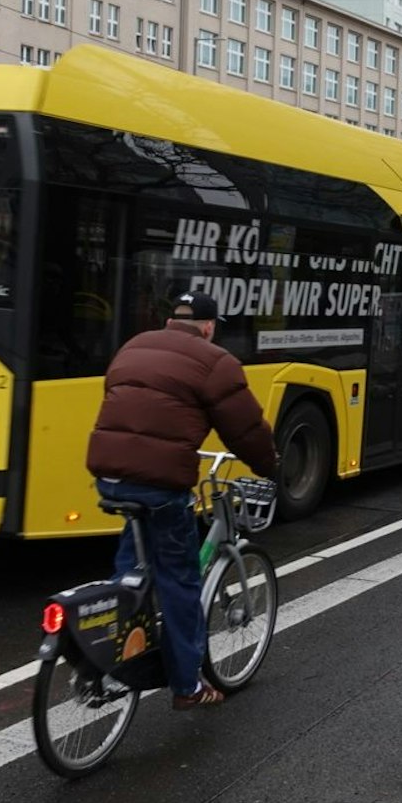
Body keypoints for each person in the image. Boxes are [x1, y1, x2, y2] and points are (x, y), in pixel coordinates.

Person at [86, 290, 280, 709]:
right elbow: (245, 429)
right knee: (181, 579)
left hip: (110, 476)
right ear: (208, 326)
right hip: (158, 486)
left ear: (172, 319)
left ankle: (116, 642)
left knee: (132, 567)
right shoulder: (215, 362)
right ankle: (187, 685)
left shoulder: (135, 345)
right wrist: (269, 465)